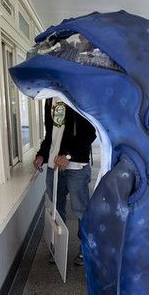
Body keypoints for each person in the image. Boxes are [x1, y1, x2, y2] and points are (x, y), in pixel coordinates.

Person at [33, 97, 96, 265]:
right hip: (54, 167)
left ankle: (85, 250)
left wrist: (68, 155)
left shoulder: (77, 95)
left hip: (76, 166)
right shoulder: (49, 100)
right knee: (55, 208)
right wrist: (42, 155)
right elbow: (51, 135)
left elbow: (90, 133)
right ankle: (58, 248)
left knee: (81, 210)